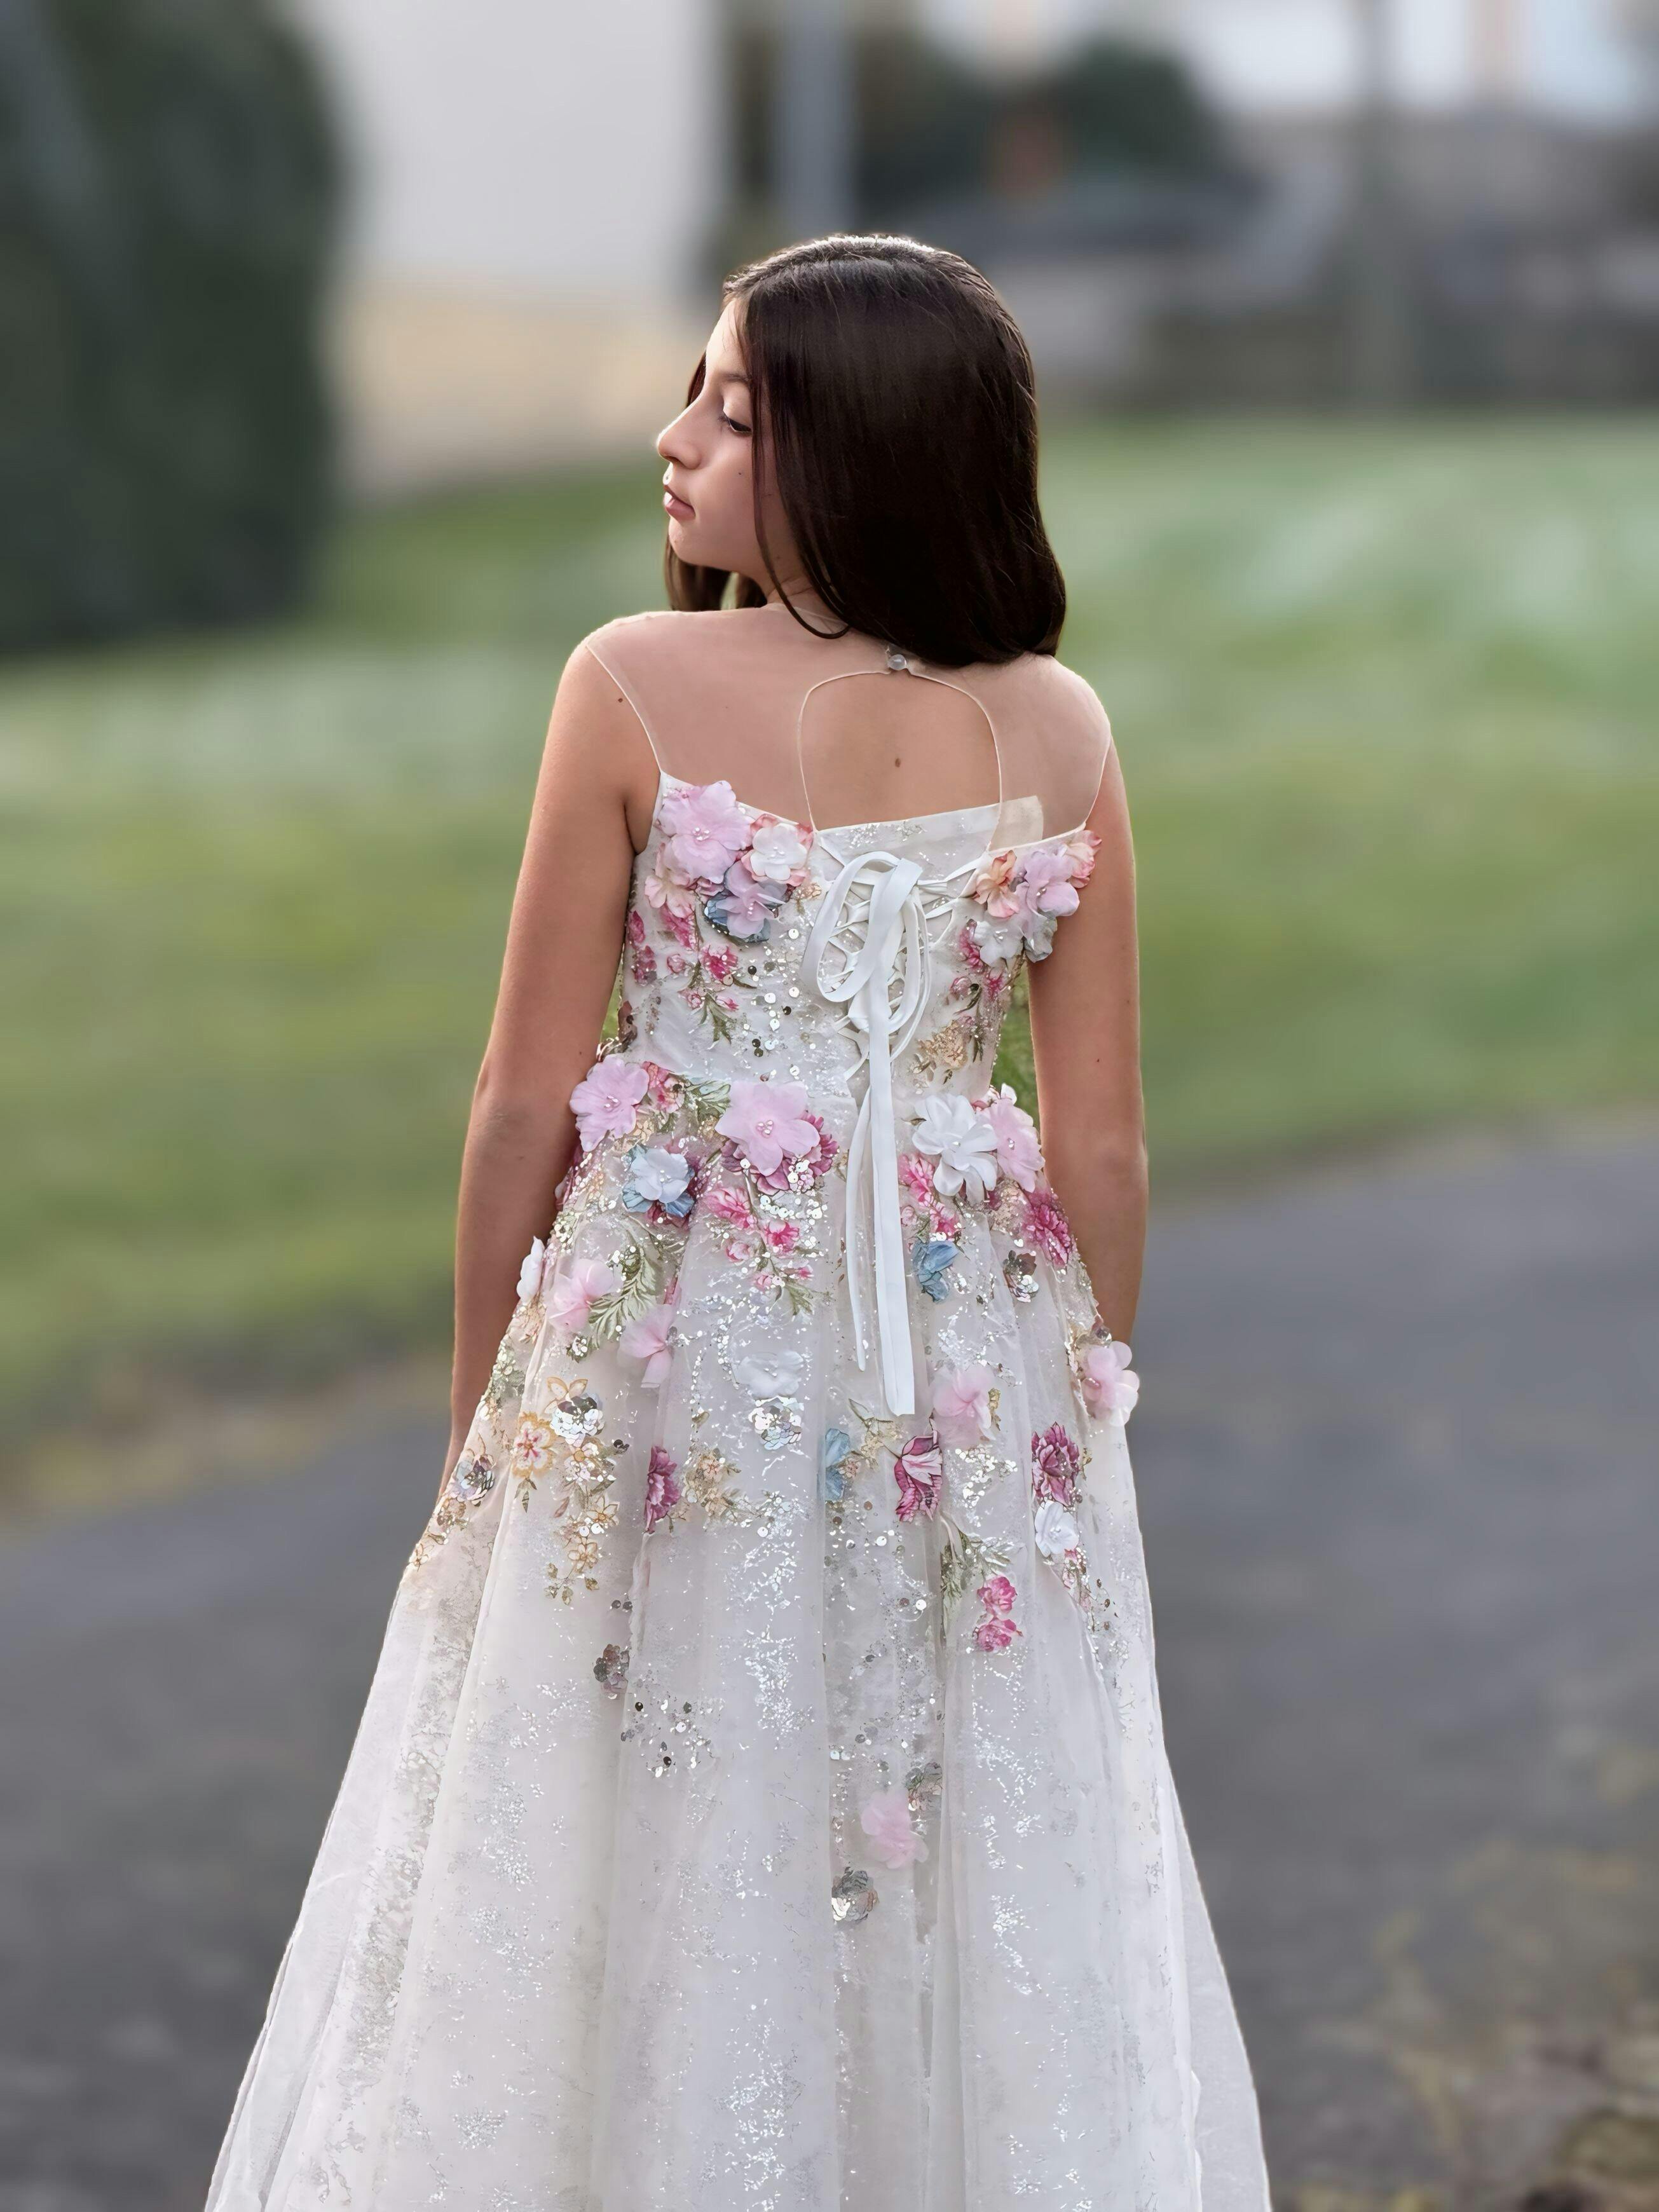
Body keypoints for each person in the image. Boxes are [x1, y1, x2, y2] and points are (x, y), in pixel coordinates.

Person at [206, 235, 1271, 2211]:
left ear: (861, 449)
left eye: (731, 410)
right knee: (918, 1783)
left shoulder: (630, 680)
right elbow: (1101, 1149)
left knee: (646, 1759)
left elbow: (520, 1102)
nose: (671, 438)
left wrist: (480, 1423)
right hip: (955, 1363)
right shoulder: (1059, 728)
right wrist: (1063, 1429)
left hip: (670, 1340)